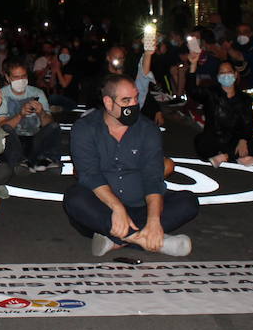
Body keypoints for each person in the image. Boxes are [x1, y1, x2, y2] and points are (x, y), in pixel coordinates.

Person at [64, 74, 200, 257]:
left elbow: (153, 177)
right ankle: (144, 240)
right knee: (75, 198)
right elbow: (90, 175)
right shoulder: (85, 128)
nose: (133, 105)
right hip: (102, 208)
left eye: (136, 98)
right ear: (108, 102)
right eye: (126, 100)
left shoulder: (148, 129)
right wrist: (117, 208)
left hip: (141, 207)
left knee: (188, 201)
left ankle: (118, 239)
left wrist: (154, 220)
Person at [190, 61, 253, 166]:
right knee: (201, 141)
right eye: (222, 73)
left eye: (229, 72)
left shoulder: (244, 99)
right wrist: (193, 65)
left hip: (234, 140)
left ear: (235, 74)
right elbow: (192, 91)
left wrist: (243, 140)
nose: (226, 75)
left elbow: (248, 124)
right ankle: (234, 157)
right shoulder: (210, 93)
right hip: (214, 139)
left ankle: (224, 157)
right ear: (217, 77)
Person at [0, 61, 61, 172]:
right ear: (7, 77)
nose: (21, 80)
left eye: (23, 76)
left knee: (54, 126)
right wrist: (20, 115)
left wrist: (41, 113)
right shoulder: (1, 94)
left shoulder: (37, 93)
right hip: (14, 140)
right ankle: (20, 161)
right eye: (16, 77)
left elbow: (48, 124)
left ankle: (47, 159)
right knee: (6, 129)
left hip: (33, 137)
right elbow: (0, 126)